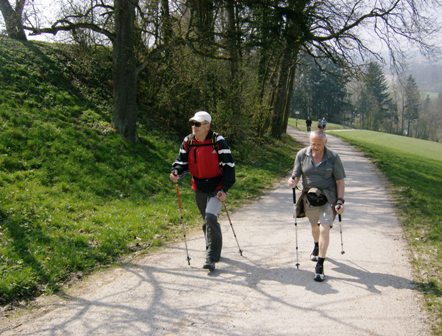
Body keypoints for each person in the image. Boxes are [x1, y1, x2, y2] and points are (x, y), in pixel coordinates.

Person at [170, 111, 236, 271]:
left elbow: (229, 167)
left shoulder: (218, 141)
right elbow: (181, 162)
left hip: (217, 187)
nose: (194, 127)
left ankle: (211, 257)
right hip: (199, 186)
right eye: (193, 123)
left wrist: (224, 189)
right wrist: (176, 172)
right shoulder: (188, 141)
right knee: (207, 221)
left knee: (210, 217)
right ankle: (213, 247)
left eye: (198, 124)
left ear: (207, 126)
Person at [288, 130, 345, 282]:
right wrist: (292, 181)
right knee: (314, 227)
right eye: (313, 143)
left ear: (325, 143)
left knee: (324, 227)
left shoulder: (333, 158)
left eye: (319, 144)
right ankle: (316, 245)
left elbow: (340, 182)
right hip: (310, 198)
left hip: (328, 197)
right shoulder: (301, 155)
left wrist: (340, 201)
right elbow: (296, 175)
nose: (315, 147)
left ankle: (320, 264)